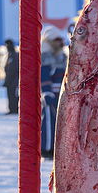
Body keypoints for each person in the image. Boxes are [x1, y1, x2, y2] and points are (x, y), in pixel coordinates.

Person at [40, 27, 67, 160]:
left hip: (62, 95)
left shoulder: (61, 56)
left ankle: (57, 148)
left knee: (60, 123)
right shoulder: (45, 56)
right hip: (51, 95)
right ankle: (47, 148)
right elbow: (44, 76)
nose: (60, 43)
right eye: (56, 41)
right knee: (49, 122)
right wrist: (46, 93)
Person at [4, 39, 19, 114]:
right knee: (10, 94)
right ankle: (12, 108)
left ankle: (14, 109)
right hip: (10, 80)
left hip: (13, 80)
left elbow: (13, 69)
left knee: (13, 95)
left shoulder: (14, 55)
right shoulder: (10, 55)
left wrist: (9, 79)